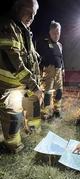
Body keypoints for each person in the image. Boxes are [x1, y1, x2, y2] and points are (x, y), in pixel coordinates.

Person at [0, 0, 42, 153]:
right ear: (17, 7)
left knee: (29, 107)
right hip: (8, 85)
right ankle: (12, 147)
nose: (31, 16)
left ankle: (29, 133)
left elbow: (29, 57)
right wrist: (34, 85)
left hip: (22, 84)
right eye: (29, 11)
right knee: (13, 116)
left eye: (34, 14)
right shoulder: (7, 25)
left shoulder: (24, 29)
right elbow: (12, 61)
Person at [37, 20, 64, 119]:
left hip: (59, 71)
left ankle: (56, 111)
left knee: (59, 92)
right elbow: (38, 58)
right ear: (50, 32)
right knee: (47, 93)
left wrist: (63, 68)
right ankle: (45, 113)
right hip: (48, 71)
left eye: (58, 33)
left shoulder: (60, 45)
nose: (56, 35)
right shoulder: (43, 42)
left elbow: (61, 58)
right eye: (54, 33)